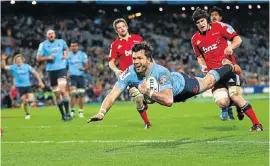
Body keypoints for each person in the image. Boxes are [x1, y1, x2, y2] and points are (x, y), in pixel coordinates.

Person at [85, 42, 260, 132]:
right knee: (222, 99)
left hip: (183, 86)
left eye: (140, 58)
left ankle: (228, 67)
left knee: (208, 82)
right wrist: (102, 113)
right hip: (163, 93)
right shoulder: (129, 72)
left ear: (149, 59)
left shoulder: (160, 71)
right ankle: (233, 99)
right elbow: (113, 94)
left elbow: (168, 101)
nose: (136, 62)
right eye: (134, 59)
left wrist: (149, 92)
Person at [191, 8, 263, 131]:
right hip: (214, 75)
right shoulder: (195, 39)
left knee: (236, 97)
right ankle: (236, 106)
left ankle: (257, 125)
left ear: (207, 20)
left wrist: (231, 46)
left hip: (229, 70)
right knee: (223, 103)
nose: (200, 24)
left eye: (202, 21)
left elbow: (237, 39)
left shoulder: (220, 27)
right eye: (197, 23)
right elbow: (199, 57)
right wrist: (202, 65)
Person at [108, 18, 151, 129]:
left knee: (148, 97)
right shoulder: (115, 45)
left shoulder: (138, 39)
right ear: (116, 31)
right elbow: (111, 63)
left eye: (123, 26)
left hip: (143, 73)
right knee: (138, 97)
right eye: (119, 28)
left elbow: (146, 55)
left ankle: (145, 102)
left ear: (127, 27)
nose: (121, 29)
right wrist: (116, 70)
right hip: (129, 77)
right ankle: (147, 123)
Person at [36, 29, 71, 121]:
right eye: (49, 34)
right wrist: (48, 57)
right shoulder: (43, 45)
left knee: (63, 91)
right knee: (57, 94)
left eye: (52, 33)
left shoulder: (61, 42)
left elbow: (66, 49)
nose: (51, 35)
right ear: (46, 36)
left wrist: (66, 55)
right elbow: (38, 58)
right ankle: (63, 115)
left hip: (61, 69)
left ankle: (68, 113)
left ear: (55, 34)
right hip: (51, 71)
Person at [209, 6, 235, 120]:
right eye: (212, 15)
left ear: (220, 17)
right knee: (223, 94)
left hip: (228, 64)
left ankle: (233, 108)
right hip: (215, 67)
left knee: (234, 94)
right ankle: (225, 108)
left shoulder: (225, 28)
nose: (213, 16)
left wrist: (230, 47)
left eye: (216, 15)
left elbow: (235, 39)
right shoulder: (206, 31)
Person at [1, 54, 44, 119]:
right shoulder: (14, 67)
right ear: (15, 61)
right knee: (24, 101)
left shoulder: (27, 66)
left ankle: (28, 104)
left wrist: (40, 81)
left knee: (31, 100)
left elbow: (35, 73)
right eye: (17, 60)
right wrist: (3, 59)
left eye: (19, 59)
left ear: (22, 60)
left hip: (27, 86)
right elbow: (4, 67)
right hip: (20, 87)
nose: (18, 61)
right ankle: (27, 113)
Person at [67, 41, 89, 118]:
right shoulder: (67, 55)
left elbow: (86, 65)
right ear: (70, 47)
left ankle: (80, 111)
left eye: (75, 46)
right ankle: (72, 111)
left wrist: (83, 68)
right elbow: (64, 65)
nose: (74, 47)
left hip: (80, 76)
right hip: (72, 77)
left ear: (78, 46)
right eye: (72, 46)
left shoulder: (82, 54)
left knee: (80, 94)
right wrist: (67, 73)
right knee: (73, 93)